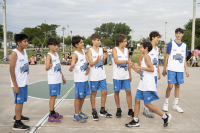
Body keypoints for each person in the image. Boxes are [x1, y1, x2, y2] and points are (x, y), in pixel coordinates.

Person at [125, 42, 172, 127]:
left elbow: (151, 69)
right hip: (142, 83)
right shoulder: (144, 57)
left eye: (141, 47)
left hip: (147, 84)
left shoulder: (147, 56)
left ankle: (165, 116)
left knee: (147, 104)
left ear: (146, 48)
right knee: (137, 100)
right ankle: (135, 120)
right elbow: (141, 72)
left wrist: (139, 67)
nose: (139, 49)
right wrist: (133, 67)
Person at [162, 28, 189, 113]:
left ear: (182, 35)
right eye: (177, 33)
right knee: (170, 86)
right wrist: (164, 68)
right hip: (171, 69)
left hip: (180, 70)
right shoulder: (171, 44)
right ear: (175, 34)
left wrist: (186, 70)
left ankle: (175, 104)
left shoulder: (185, 45)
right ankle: (166, 103)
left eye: (180, 33)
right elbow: (166, 57)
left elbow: (184, 59)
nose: (178, 35)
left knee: (177, 86)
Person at [87, 34, 112, 121]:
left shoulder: (101, 50)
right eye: (97, 40)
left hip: (102, 75)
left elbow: (103, 63)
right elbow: (91, 64)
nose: (99, 42)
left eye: (100, 40)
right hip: (94, 76)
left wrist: (104, 59)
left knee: (104, 92)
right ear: (93, 41)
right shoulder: (90, 51)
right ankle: (94, 111)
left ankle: (102, 110)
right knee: (93, 93)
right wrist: (97, 60)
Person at [138, 31, 161, 118]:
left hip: (153, 73)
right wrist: (141, 69)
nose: (158, 39)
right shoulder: (147, 48)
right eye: (157, 37)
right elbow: (140, 58)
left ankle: (149, 106)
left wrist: (158, 72)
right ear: (153, 38)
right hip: (147, 73)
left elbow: (156, 61)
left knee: (151, 91)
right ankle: (146, 109)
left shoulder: (157, 48)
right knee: (146, 90)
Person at [10, 34, 30, 130]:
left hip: (24, 82)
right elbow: (11, 69)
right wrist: (15, 85)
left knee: (21, 102)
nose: (27, 43)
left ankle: (18, 116)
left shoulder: (24, 51)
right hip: (18, 83)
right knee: (19, 102)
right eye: (25, 41)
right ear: (19, 43)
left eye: (27, 41)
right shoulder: (15, 53)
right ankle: (17, 123)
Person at [69, 36, 90, 123]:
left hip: (85, 78)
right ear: (76, 45)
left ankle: (80, 111)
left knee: (83, 96)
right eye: (81, 42)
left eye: (82, 42)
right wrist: (71, 67)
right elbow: (72, 64)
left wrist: (87, 67)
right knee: (78, 97)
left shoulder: (83, 52)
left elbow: (84, 63)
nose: (83, 43)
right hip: (79, 80)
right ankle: (76, 115)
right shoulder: (75, 54)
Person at [112, 34, 134, 118]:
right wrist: (126, 62)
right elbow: (116, 61)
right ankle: (118, 109)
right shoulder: (115, 50)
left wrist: (130, 74)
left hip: (125, 76)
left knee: (128, 92)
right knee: (117, 92)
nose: (126, 43)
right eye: (125, 41)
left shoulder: (127, 50)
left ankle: (130, 110)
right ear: (120, 42)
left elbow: (128, 62)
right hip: (117, 76)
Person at [45, 37, 66, 123]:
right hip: (53, 79)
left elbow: (59, 67)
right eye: (54, 45)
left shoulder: (56, 54)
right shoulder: (49, 55)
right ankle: (50, 115)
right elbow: (46, 68)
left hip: (58, 78)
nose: (56, 46)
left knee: (55, 96)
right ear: (50, 46)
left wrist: (62, 77)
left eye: (57, 45)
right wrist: (49, 66)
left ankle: (53, 112)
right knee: (53, 97)